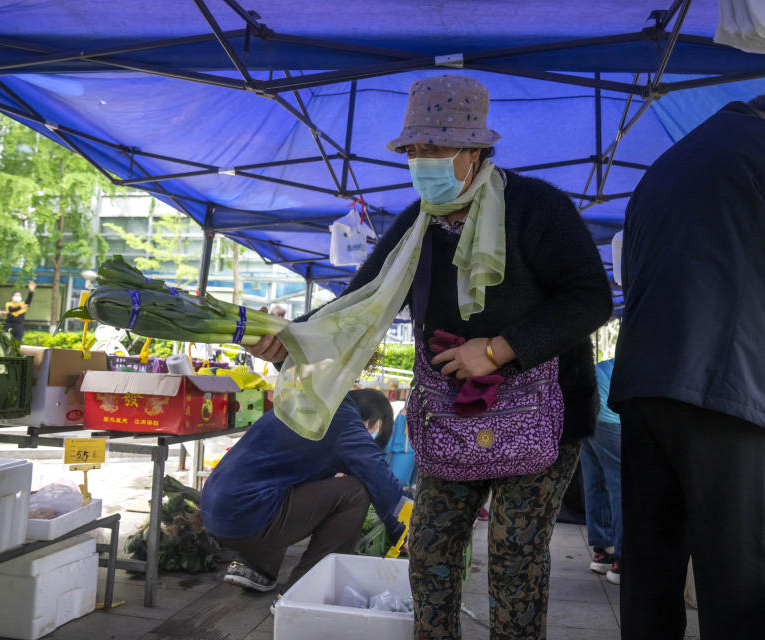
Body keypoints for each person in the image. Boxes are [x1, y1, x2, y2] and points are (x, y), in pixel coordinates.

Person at [248, 74, 612, 638]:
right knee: (431, 550)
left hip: (544, 414)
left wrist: (495, 350)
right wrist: (291, 340)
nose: (423, 163)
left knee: (516, 558)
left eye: (436, 150)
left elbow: (590, 297)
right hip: (452, 415)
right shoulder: (417, 225)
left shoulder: (537, 207)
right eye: (414, 152)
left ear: (475, 151)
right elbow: (356, 306)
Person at [609, 94, 765, 639]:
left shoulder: (662, 169)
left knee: (651, 575)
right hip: (731, 390)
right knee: (738, 586)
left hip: (643, 390)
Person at [201, 388, 405, 592]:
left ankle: (258, 568)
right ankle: (306, 590)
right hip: (243, 516)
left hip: (213, 509)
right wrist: (403, 529)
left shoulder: (310, 403)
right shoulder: (347, 424)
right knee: (356, 492)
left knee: (293, 479)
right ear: (372, 422)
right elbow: (379, 478)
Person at [580, 357, 622, 585]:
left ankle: (603, 551)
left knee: (595, 482)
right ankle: (622, 561)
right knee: (620, 485)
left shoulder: (618, 358)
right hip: (609, 417)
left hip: (588, 412)